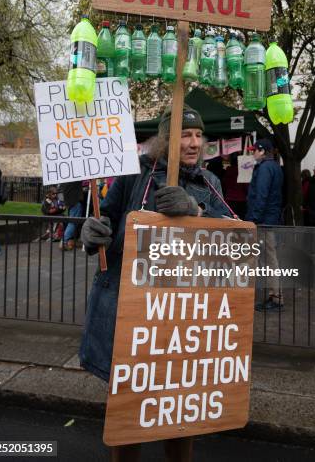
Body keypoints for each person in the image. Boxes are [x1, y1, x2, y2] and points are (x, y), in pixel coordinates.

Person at [79, 105, 233, 383]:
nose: (195, 143)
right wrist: (92, 232)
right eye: (185, 135)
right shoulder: (134, 172)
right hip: (128, 299)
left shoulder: (209, 182)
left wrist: (196, 211)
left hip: (179, 308)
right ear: (165, 140)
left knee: (168, 382)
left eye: (199, 135)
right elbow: (108, 216)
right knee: (126, 382)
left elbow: (228, 238)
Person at [245, 138, 284, 311]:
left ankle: (275, 297)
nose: (252, 153)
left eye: (254, 150)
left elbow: (261, 195)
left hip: (263, 220)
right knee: (267, 257)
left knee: (269, 258)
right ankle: (273, 294)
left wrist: (253, 219)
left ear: (261, 151)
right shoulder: (274, 166)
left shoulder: (265, 168)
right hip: (269, 218)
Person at [221, 153, 248, 219]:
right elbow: (245, 185)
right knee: (241, 220)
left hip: (230, 198)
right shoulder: (242, 170)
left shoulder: (228, 170)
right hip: (241, 199)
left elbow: (224, 183)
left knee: (231, 219)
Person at [59, 182, 84, 251]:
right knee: (73, 222)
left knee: (72, 222)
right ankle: (64, 241)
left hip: (69, 201)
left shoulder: (66, 180)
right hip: (75, 201)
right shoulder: (75, 178)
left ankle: (66, 241)